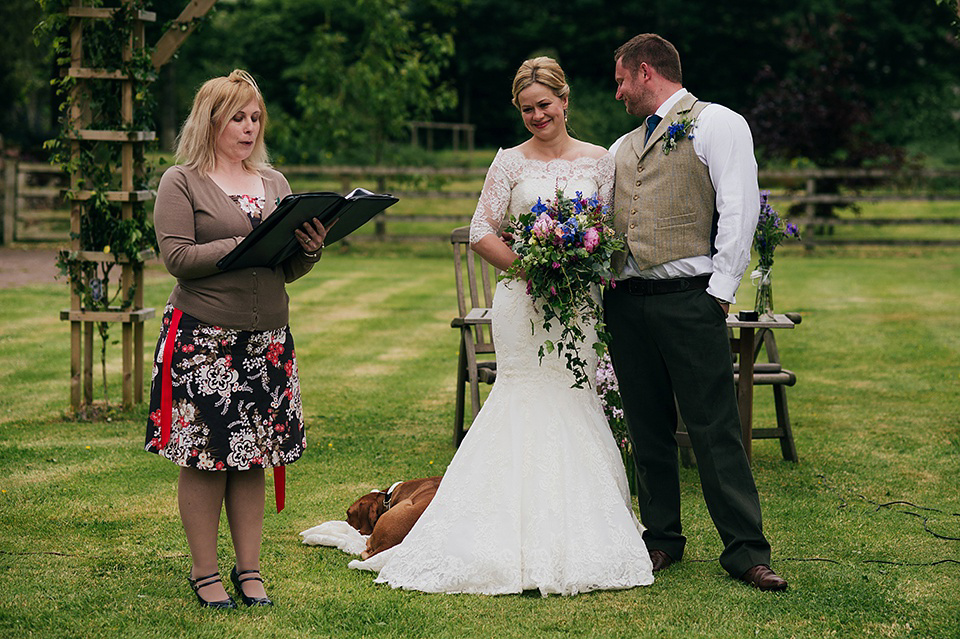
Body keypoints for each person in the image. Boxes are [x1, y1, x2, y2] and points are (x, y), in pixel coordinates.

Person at [349, 57, 654, 595]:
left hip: (577, 306)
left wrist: (579, 264)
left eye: (545, 104)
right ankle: (493, 534)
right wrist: (532, 268)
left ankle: (579, 532)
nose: (538, 115)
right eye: (527, 109)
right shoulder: (509, 162)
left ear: (565, 100)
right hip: (524, 302)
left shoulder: (600, 160)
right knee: (521, 401)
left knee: (573, 400)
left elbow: (605, 231)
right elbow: (479, 230)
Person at [604, 33, 788, 591]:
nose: (617, 94)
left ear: (644, 72)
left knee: (714, 426)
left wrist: (720, 290)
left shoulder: (718, 123)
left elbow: (739, 206)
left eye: (619, 81)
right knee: (645, 428)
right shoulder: (620, 147)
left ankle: (745, 550)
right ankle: (661, 539)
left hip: (690, 298)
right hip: (627, 303)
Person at [145, 69, 329, 608]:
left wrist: (309, 248)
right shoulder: (181, 180)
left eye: (255, 118)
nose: (249, 128)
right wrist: (244, 239)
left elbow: (284, 270)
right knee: (206, 460)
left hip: (267, 342)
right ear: (211, 121)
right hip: (205, 340)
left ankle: (249, 572)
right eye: (237, 118)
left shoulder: (275, 185)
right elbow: (177, 258)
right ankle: (205, 574)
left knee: (253, 458)